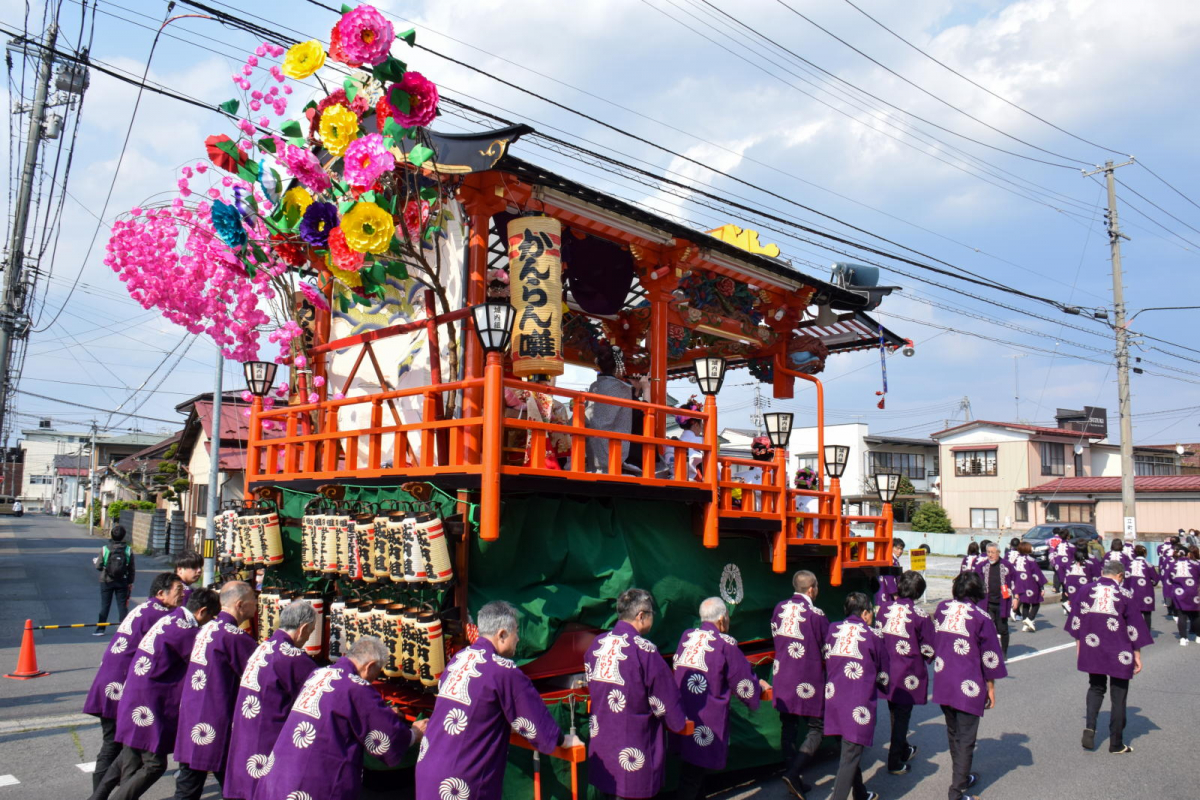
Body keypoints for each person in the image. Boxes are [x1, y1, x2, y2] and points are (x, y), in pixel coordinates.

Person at [417, 601, 574, 800]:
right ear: (501, 634)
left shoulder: (459, 659)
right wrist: (562, 740)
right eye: (515, 632)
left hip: (429, 767)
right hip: (460, 781)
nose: (518, 639)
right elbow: (535, 723)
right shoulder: (503, 670)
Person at [256, 636, 425, 800]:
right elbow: (386, 737)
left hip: (281, 771)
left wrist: (383, 714)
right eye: (377, 672)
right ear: (370, 666)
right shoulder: (356, 686)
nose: (374, 679)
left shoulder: (319, 674)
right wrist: (413, 734)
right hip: (313, 783)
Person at [96, 588, 220, 800]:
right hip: (147, 700)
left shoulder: (173, 618)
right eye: (210, 617)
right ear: (202, 611)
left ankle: (96, 797)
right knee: (154, 763)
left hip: (135, 692)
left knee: (130, 754)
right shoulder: (185, 631)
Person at [83, 573, 184, 795]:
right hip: (120, 684)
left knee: (124, 746)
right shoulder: (161, 614)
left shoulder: (147, 608)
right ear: (161, 593)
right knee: (114, 744)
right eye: (179, 590)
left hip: (111, 679)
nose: (182, 594)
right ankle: (99, 794)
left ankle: (102, 795)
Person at [585, 588, 687, 800]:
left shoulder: (597, 644)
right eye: (651, 615)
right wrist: (678, 722)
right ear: (641, 616)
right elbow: (665, 700)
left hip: (602, 743)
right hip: (634, 747)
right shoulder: (644, 649)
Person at [671, 598, 766, 800]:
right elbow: (743, 682)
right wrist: (760, 687)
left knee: (692, 769)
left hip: (683, 712)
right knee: (693, 774)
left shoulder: (686, 636)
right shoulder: (725, 643)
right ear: (722, 620)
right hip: (706, 717)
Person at [224, 600, 319, 800]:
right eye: (310, 631)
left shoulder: (264, 647)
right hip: (268, 737)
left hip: (246, 732)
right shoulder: (291, 657)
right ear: (302, 629)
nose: (308, 636)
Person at [172, 581, 258, 800]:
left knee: (190, 781)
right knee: (229, 782)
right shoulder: (233, 636)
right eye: (253, 600)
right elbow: (257, 675)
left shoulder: (208, 627)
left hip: (193, 712)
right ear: (240, 605)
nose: (257, 605)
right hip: (215, 717)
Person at [932, 572, 1007, 800]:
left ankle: (961, 778)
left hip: (943, 680)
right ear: (977, 592)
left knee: (954, 732)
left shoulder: (942, 609)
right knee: (966, 738)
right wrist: (991, 688)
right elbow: (990, 657)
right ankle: (956, 792)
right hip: (968, 683)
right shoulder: (981, 617)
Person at [1068, 558, 1152, 754]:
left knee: (1096, 687)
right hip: (1119, 649)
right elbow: (1134, 628)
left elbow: (1076, 622)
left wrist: (1079, 646)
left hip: (1092, 646)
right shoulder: (1125, 593)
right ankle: (1116, 743)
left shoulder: (1085, 590)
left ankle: (1090, 727)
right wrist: (1137, 654)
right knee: (1119, 694)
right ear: (1120, 576)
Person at [821, 592, 887, 800]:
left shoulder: (833, 628)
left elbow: (826, 656)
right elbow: (884, 675)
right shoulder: (874, 635)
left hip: (834, 699)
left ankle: (860, 793)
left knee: (850, 749)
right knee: (850, 755)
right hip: (857, 702)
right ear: (865, 613)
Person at [774, 571, 830, 799]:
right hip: (807, 678)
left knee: (788, 727)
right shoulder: (816, 614)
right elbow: (828, 648)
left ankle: (794, 777)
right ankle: (794, 772)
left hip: (783, 674)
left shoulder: (779, 608)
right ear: (811, 589)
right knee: (817, 727)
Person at [876, 570, 935, 776]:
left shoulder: (883, 609)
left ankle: (904, 748)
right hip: (907, 672)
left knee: (895, 712)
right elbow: (929, 648)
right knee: (902, 715)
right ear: (918, 593)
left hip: (886, 668)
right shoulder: (920, 615)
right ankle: (894, 761)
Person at [585, 347, 633, 473]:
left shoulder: (594, 386)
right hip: (614, 448)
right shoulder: (623, 389)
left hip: (591, 446)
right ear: (620, 364)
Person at [95, 525, 136, 635]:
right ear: (123, 536)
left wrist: (97, 562)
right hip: (122, 581)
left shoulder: (105, 549)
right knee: (122, 605)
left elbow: (98, 566)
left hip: (106, 580)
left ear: (112, 535)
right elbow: (131, 568)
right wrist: (130, 582)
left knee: (105, 605)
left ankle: (100, 629)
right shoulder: (128, 550)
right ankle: (123, 629)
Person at [974, 543, 1014, 656]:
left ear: (998, 553)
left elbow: (1015, 580)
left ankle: (1004, 651)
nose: (990, 555)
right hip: (987, 602)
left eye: (993, 552)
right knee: (987, 628)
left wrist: (1016, 597)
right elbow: (974, 580)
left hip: (1002, 602)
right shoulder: (982, 566)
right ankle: (988, 651)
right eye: (988, 552)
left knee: (1002, 628)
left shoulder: (1006, 565)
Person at [1165, 546, 1200, 645]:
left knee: (1181, 615)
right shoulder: (1196, 564)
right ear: (1188, 554)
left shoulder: (1172, 565)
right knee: (1196, 614)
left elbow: (1169, 579)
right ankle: (1198, 636)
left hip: (1178, 592)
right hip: (1194, 591)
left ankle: (1183, 638)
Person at [1011, 542, 1048, 633]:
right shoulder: (1031, 560)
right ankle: (1029, 618)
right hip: (1030, 584)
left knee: (1025, 603)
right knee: (1036, 603)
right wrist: (1041, 587)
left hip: (1020, 584)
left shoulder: (1016, 559)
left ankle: (1025, 624)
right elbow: (1037, 574)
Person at [1126, 545, 1161, 630]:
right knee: (1147, 613)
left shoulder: (1128, 564)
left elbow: (1125, 578)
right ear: (1145, 553)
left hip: (1132, 590)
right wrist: (1152, 583)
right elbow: (1156, 579)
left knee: (1133, 613)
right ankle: (1147, 632)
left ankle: (1134, 631)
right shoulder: (1149, 564)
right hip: (1146, 591)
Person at [1063, 549, 1100, 615]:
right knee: (1084, 604)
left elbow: (1066, 577)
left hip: (1072, 586)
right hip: (1085, 586)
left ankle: (1071, 609)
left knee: (1074, 603)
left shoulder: (1069, 563)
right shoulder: (1089, 564)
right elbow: (1095, 577)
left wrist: (1065, 589)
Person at [874, 538, 905, 609]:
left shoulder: (892, 560)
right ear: (892, 547)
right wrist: (895, 594)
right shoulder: (890, 561)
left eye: (901, 549)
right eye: (897, 548)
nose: (900, 551)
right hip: (886, 592)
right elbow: (889, 578)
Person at [1051, 529, 1075, 595]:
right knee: (1068, 581)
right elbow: (1074, 557)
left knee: (1061, 579)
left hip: (1058, 565)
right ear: (1068, 536)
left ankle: (1062, 593)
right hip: (1068, 565)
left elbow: (1055, 555)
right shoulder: (1071, 546)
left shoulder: (1058, 546)